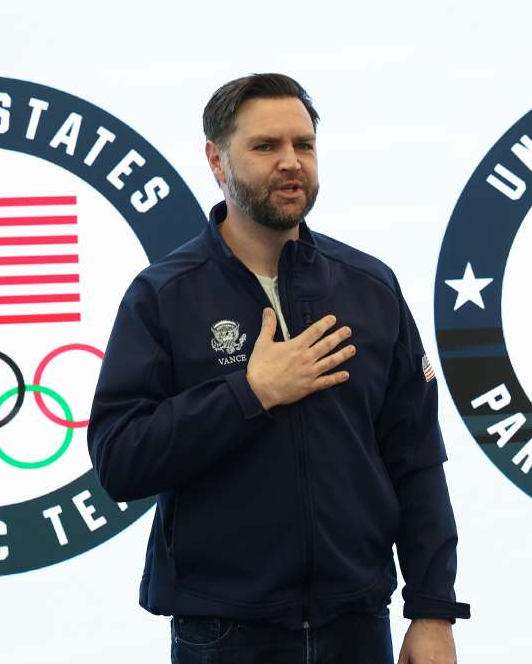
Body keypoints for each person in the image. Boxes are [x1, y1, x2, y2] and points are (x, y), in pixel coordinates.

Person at [88, 73, 469, 663]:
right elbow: (120, 459)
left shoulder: (369, 287)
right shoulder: (163, 296)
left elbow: (416, 460)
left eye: (304, 145)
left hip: (358, 624)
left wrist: (433, 609)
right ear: (216, 160)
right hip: (224, 632)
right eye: (265, 147)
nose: (291, 162)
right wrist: (251, 392)